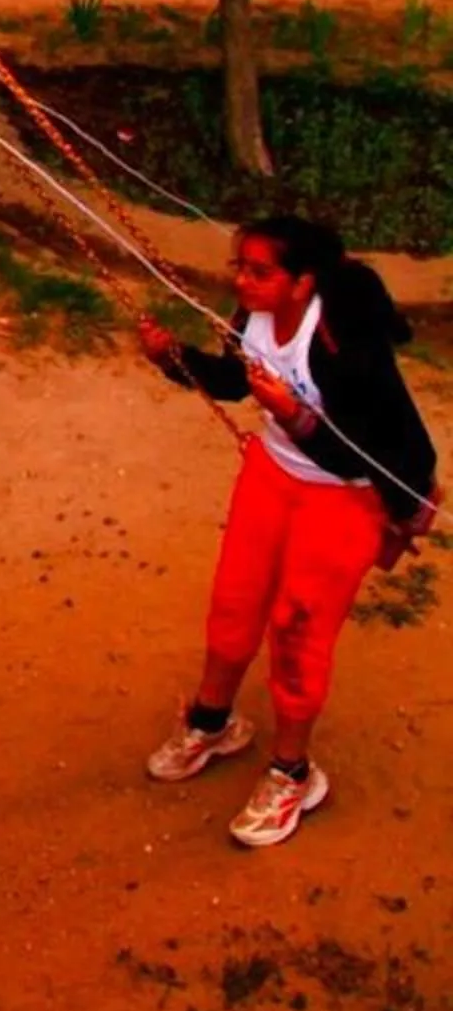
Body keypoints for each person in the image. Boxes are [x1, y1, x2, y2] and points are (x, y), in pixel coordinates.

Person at [139, 210, 439, 848]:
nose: (243, 282)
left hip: (346, 495)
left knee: (298, 628)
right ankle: (212, 722)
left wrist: (297, 417)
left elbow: (362, 452)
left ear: (303, 283)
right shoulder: (251, 317)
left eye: (260, 271)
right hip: (272, 477)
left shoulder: (343, 339)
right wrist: (174, 359)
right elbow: (231, 380)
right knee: (235, 602)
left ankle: (293, 773)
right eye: (240, 267)